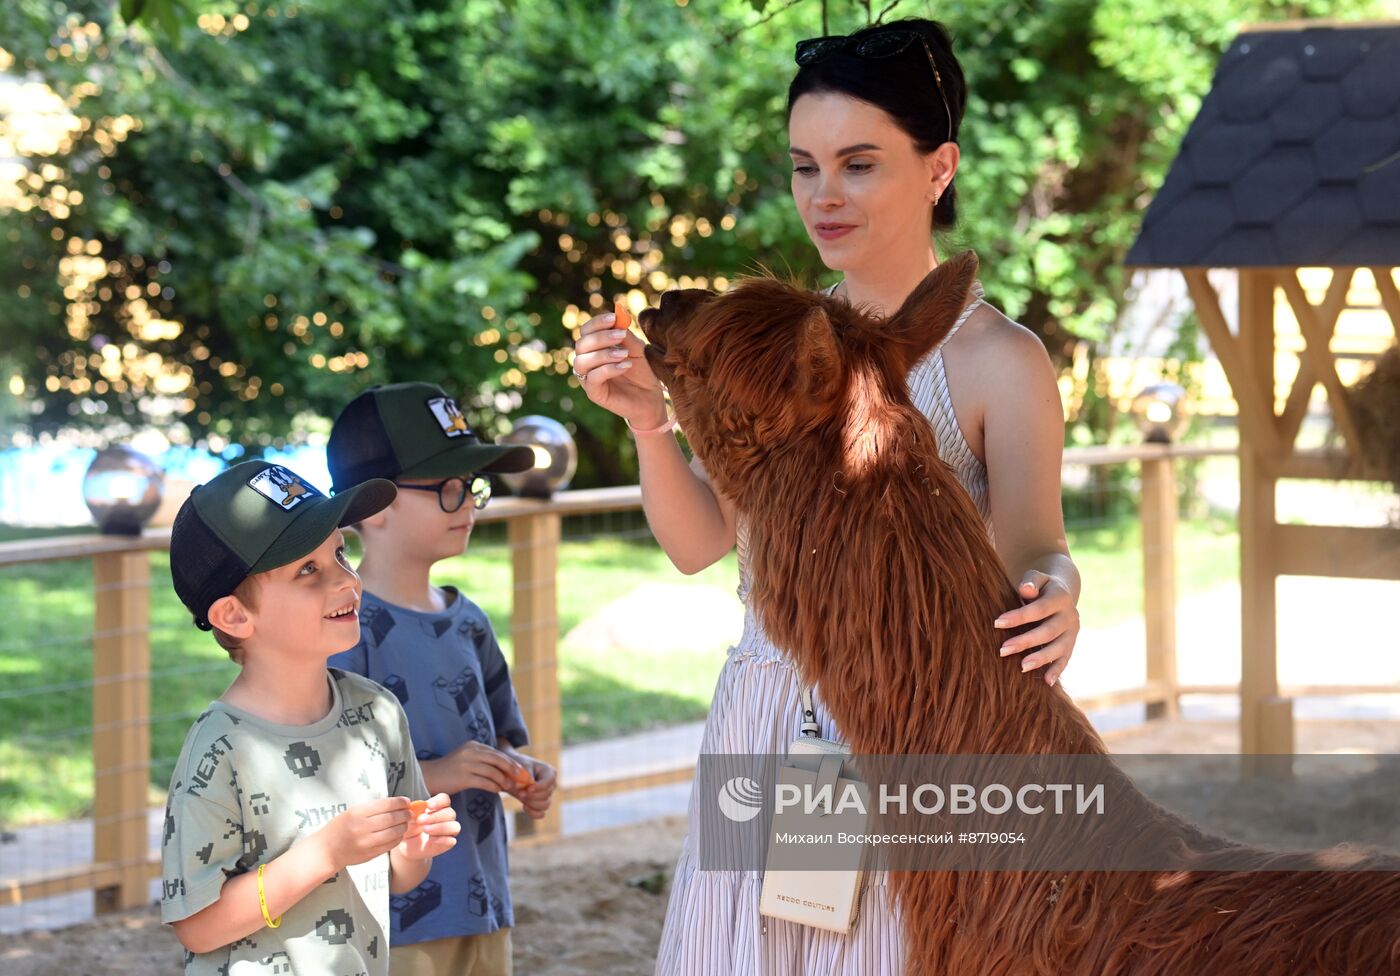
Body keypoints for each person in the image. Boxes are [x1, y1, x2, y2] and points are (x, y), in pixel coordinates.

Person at [571, 17, 1082, 974]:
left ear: (940, 168)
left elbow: (1037, 551)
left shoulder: (1001, 362)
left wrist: (1060, 593)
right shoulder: (775, 349)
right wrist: (650, 421)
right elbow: (700, 547)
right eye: (805, 166)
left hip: (914, 733)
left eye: (858, 163)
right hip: (769, 722)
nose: (824, 195)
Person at [160, 459, 461, 976]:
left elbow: (397, 876)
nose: (346, 580)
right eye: (308, 570)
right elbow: (198, 925)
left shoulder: (377, 712)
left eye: (341, 554)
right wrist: (327, 851)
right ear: (234, 615)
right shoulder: (220, 749)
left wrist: (414, 847)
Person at [326, 382, 559, 976]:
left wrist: (520, 773)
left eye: (473, 487)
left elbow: (501, 736)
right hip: (394, 927)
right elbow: (322, 789)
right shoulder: (340, 633)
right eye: (449, 490)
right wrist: (440, 776)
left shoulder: (469, 619)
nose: (471, 504)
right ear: (373, 506)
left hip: (485, 905)